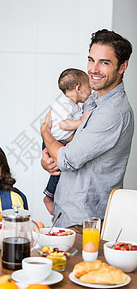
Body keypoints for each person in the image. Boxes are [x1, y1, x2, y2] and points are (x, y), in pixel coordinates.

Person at [41, 29, 134, 233]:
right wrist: (46, 159)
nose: (94, 69)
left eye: (104, 62)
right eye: (91, 60)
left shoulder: (113, 113)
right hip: (68, 215)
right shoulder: (93, 99)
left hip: (85, 222)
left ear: (123, 66)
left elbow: (67, 159)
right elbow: (65, 149)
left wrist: (45, 134)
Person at [43, 68, 91, 215]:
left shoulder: (72, 104)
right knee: (58, 170)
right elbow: (64, 125)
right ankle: (49, 196)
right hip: (56, 140)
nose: (91, 90)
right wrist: (82, 121)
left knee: (58, 169)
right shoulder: (65, 104)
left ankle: (50, 196)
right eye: (88, 86)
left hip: (59, 140)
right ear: (78, 88)